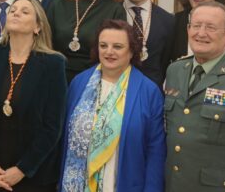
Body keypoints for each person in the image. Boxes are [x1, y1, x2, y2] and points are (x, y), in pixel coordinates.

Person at [0, 0, 67, 191]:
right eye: (13, 10)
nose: (16, 13)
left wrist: (22, 169)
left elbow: (52, 126)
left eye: (25, 11)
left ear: (37, 27)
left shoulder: (53, 64)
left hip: (32, 175)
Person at [164, 2, 225, 191]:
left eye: (210, 27)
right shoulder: (175, 70)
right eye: (196, 26)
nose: (201, 33)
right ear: (188, 29)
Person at [60, 20, 166, 192]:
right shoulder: (79, 83)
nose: (109, 52)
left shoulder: (149, 91)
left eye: (117, 46)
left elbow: (155, 151)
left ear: (131, 51)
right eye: (103, 45)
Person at [46, 0, 127, 82]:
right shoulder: (56, 6)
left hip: (95, 81)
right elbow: (45, 48)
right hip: (56, 79)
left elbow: (117, 54)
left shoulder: (114, 10)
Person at [121, 0, 175, 85]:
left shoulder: (167, 20)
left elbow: (165, 62)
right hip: (114, 88)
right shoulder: (110, 13)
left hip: (151, 90)